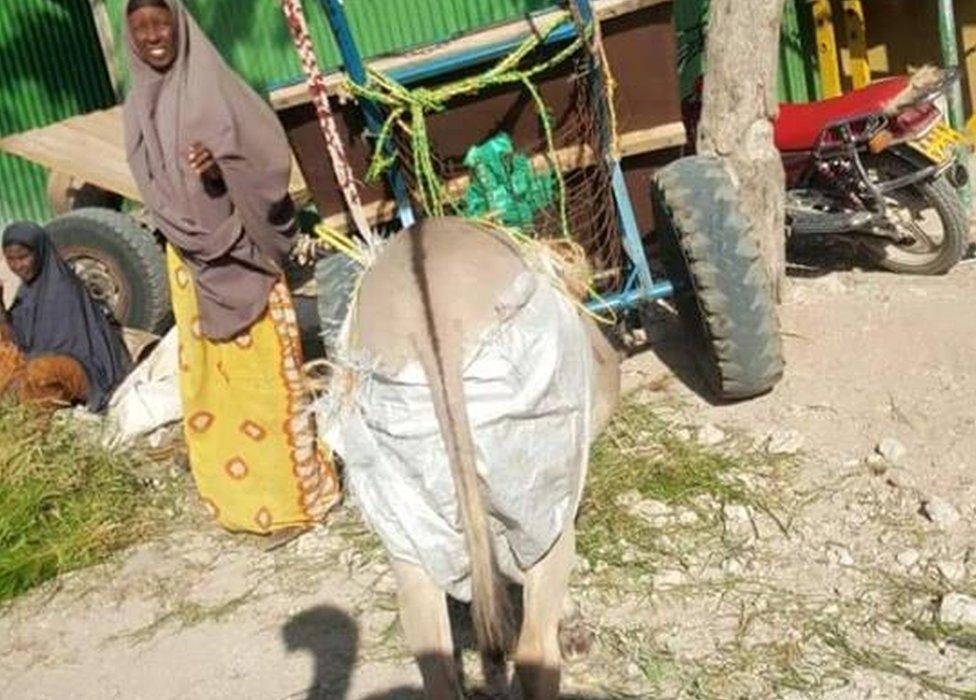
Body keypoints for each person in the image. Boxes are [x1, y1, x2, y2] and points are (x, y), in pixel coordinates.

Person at [123, 0, 340, 535]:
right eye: (142, 30)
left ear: (180, 26)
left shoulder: (215, 86)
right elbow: (151, 183)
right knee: (214, 388)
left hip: (241, 255)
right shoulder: (137, 104)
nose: (154, 37)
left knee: (268, 377)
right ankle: (243, 505)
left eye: (161, 25)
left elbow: (267, 161)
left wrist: (222, 170)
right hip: (188, 264)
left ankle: (297, 502)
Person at [0, 222, 131, 412]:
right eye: (11, 259)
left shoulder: (63, 288)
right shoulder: (27, 292)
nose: (17, 265)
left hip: (83, 367)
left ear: (40, 253)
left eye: (23, 257)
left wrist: (21, 365)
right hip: (36, 361)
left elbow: (66, 348)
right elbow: (16, 340)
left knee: (39, 374)